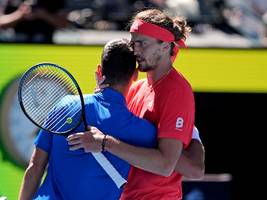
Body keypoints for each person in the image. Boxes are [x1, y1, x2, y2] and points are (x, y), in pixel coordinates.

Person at [67, 8, 205, 200]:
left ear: (165, 46)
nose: (134, 50)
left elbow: (165, 165)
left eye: (142, 43)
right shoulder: (136, 88)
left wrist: (105, 143)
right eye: (133, 43)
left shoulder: (177, 91)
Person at [18, 39, 157, 200]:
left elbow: (35, 168)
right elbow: (170, 165)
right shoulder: (143, 131)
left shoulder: (64, 105)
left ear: (100, 71)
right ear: (135, 75)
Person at [0, 0, 69, 43]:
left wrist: (44, 15)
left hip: (45, 45)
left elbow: (63, 24)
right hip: (17, 45)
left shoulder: (55, 2)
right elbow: (2, 23)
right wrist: (20, 14)